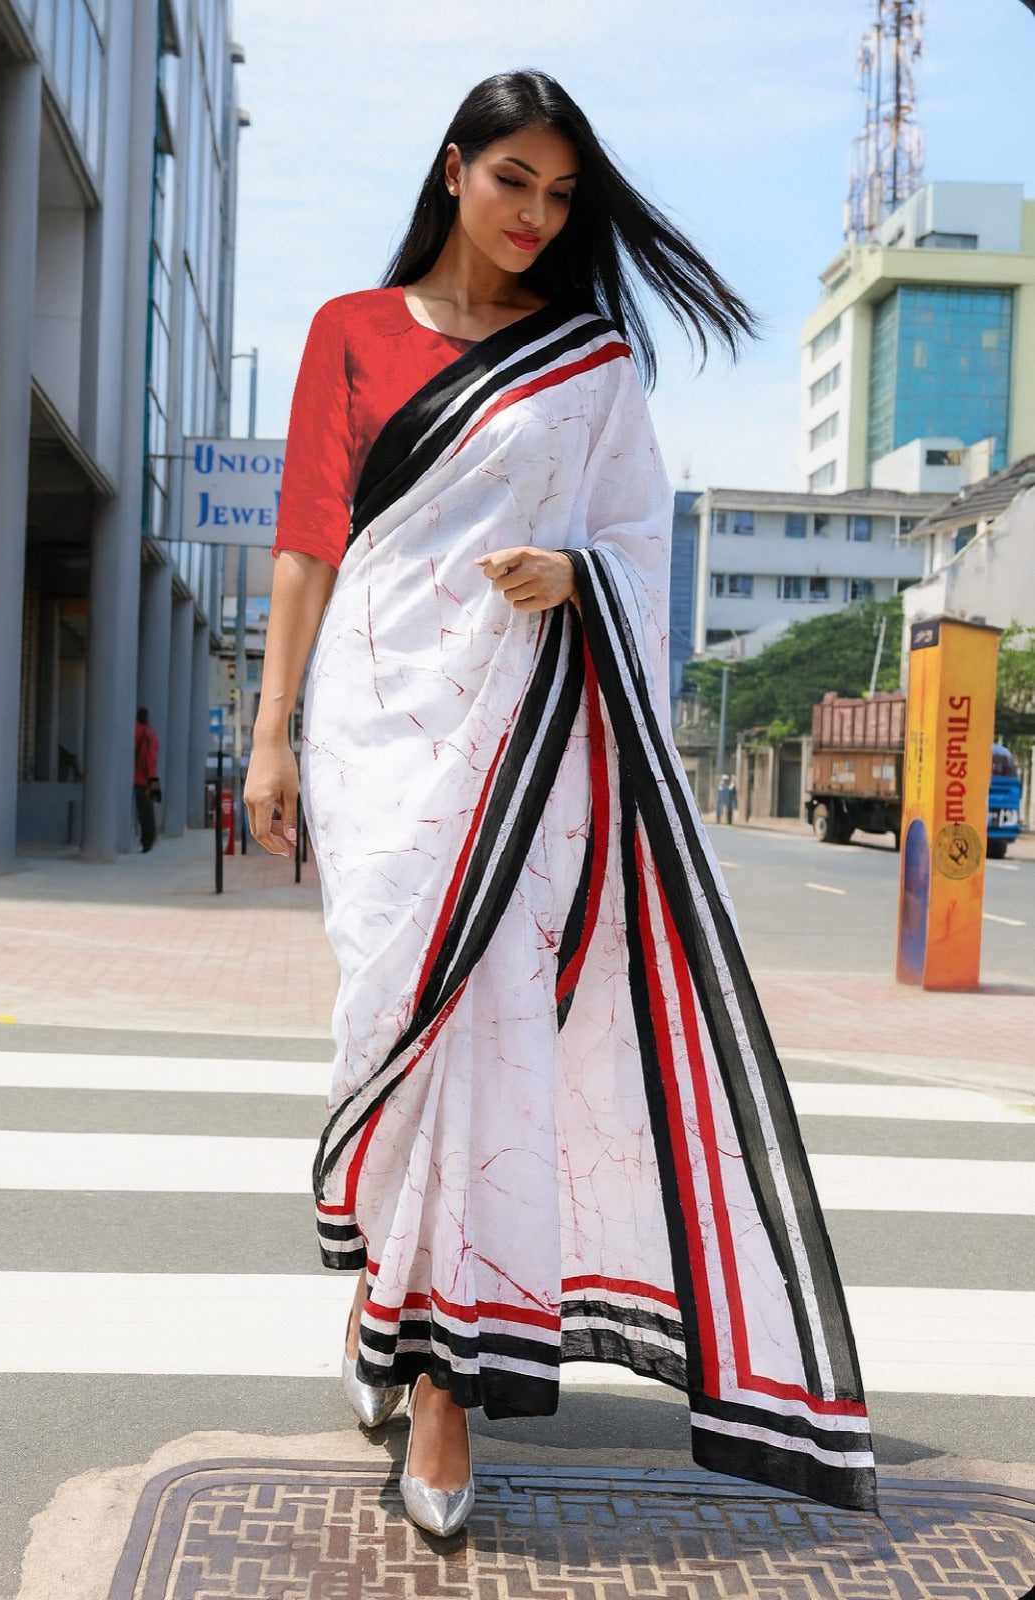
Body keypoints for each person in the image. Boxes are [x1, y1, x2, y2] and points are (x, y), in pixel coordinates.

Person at [245, 69, 876, 1536]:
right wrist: (271, 734)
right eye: (512, 181)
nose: (535, 214)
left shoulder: (587, 363)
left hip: (525, 724)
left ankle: (442, 1388)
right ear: (453, 170)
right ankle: (393, 1296)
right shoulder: (350, 331)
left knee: (485, 1023)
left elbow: (637, 541)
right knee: (392, 1021)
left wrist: (575, 575)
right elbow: (306, 545)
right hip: (377, 725)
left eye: (560, 194)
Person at [133, 707, 159, 854]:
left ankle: (145, 840)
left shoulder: (137, 730)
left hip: (139, 777)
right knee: (149, 811)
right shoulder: (152, 734)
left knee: (142, 811)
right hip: (152, 778)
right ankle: (150, 839)